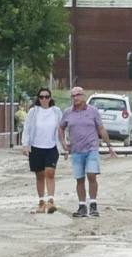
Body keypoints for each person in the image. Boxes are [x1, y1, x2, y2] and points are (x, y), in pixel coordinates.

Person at [59, 87, 117, 218]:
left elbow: (101, 128)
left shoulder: (93, 111)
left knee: (91, 174)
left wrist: (109, 146)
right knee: (79, 179)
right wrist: (63, 143)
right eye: (73, 96)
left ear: (83, 96)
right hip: (76, 150)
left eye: (78, 95)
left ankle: (93, 204)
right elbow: (61, 128)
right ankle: (82, 206)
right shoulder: (68, 112)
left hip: (91, 148)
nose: (75, 98)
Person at [22, 88, 62, 214]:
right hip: (36, 147)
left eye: (47, 96)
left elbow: (61, 130)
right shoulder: (33, 112)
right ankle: (41, 202)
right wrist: (25, 144)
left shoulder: (56, 112)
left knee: (50, 172)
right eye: (41, 97)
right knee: (39, 175)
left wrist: (64, 146)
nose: (44, 99)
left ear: (50, 98)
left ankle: (51, 200)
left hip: (51, 147)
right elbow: (27, 128)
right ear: (38, 98)